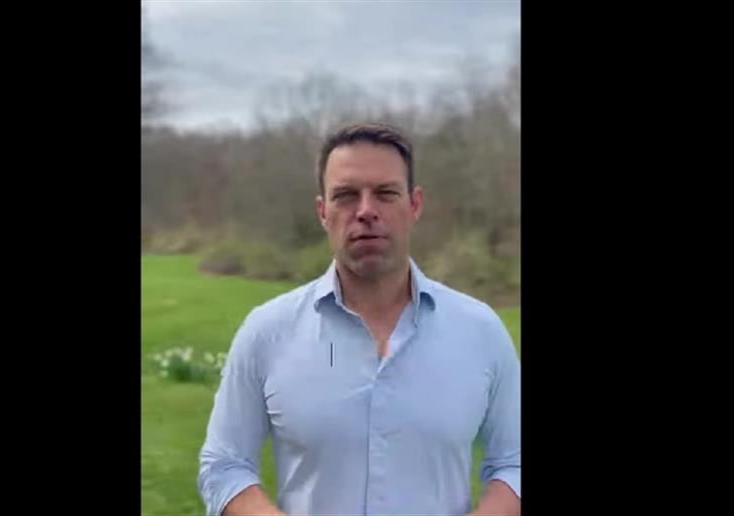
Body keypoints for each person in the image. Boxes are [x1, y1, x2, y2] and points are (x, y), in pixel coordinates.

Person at [197, 122, 520, 516]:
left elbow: (514, 462)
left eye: (385, 193)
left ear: (414, 205)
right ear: (323, 212)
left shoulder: (480, 332)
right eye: (346, 195)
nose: (366, 211)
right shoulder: (267, 332)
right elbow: (224, 466)